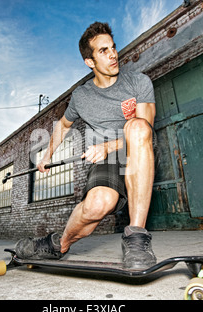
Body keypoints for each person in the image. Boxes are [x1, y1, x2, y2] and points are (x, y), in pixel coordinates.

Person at [15, 22, 159, 269]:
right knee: (97, 204)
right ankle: (57, 245)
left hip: (137, 150)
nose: (113, 54)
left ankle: (136, 238)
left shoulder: (138, 82)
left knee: (135, 126)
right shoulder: (81, 96)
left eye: (112, 47)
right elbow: (62, 124)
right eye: (103, 51)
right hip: (108, 160)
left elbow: (145, 127)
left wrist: (106, 146)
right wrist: (47, 155)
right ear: (89, 62)